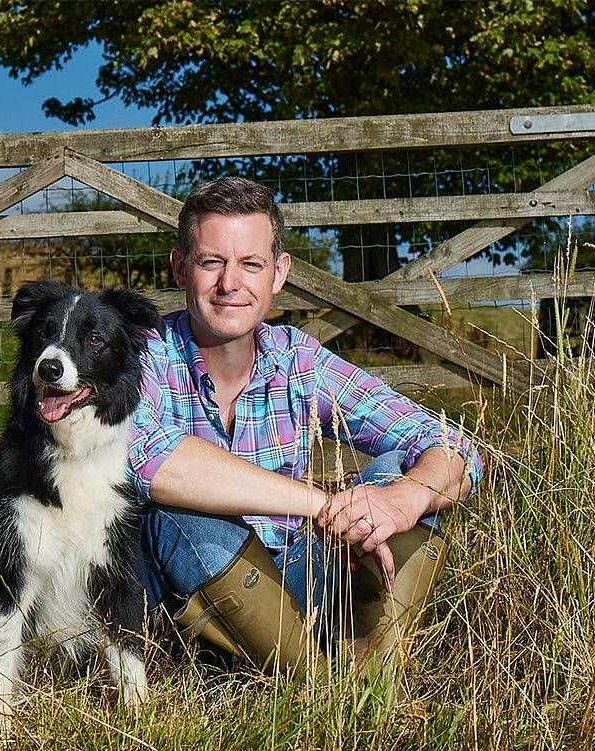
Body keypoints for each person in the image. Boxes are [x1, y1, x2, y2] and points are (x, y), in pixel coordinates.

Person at [128, 177, 483, 678]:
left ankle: (369, 682)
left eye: (251, 264)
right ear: (180, 267)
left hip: (303, 579)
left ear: (279, 273)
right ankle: (313, 692)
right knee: (180, 517)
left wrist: (400, 502)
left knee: (395, 475)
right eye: (212, 263)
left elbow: (450, 447)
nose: (231, 284)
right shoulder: (139, 353)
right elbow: (149, 460)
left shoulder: (298, 359)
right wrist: (322, 504)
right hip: (186, 602)